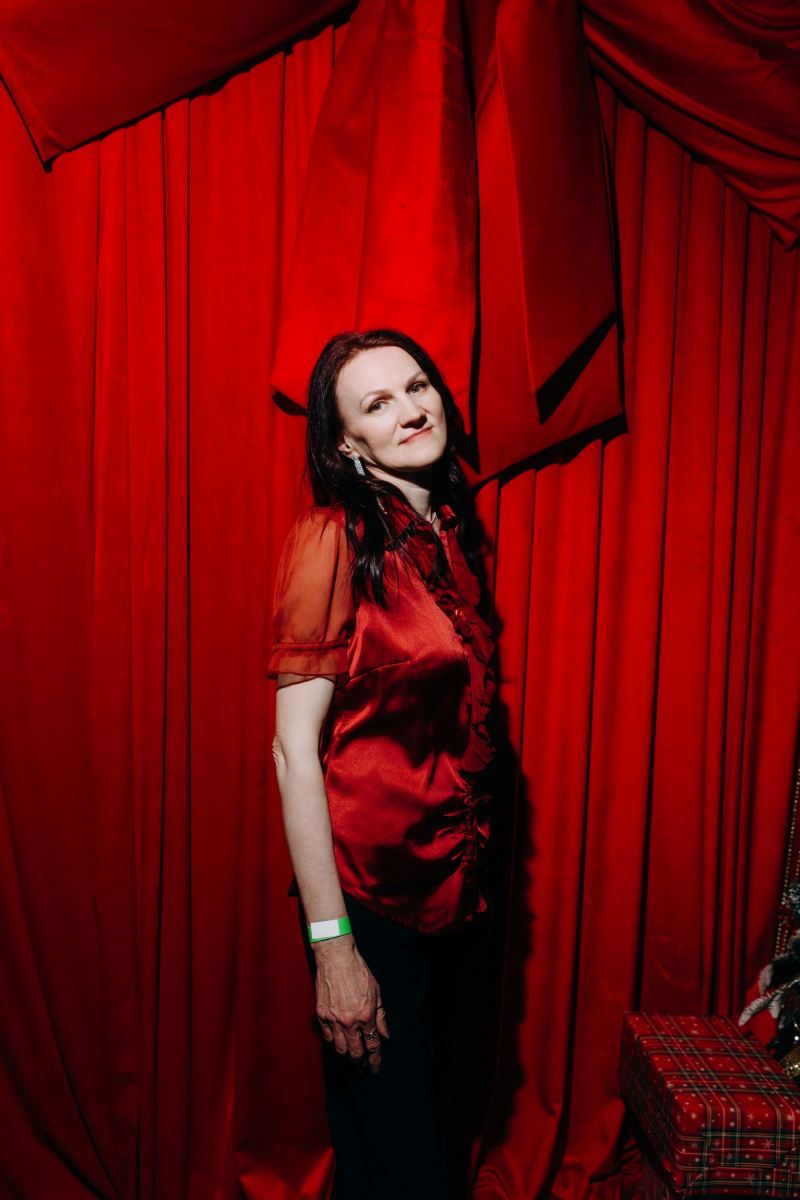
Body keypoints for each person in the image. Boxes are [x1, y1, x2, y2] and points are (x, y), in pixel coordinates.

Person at [267, 329, 497, 1199]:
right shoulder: (331, 538)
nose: (410, 409)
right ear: (346, 442)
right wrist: (334, 948)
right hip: (368, 897)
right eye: (377, 403)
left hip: (453, 889)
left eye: (417, 386)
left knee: (398, 1154)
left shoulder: (446, 539)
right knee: (402, 1165)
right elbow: (293, 749)